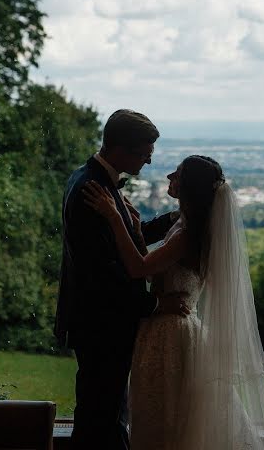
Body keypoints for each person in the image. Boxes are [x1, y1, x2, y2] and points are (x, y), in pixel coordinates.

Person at [83, 155, 264, 450]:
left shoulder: (187, 235)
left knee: (165, 420)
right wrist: (137, 231)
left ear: (189, 187)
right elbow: (156, 270)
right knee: (165, 417)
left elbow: (139, 269)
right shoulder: (182, 227)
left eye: (176, 175)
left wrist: (114, 218)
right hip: (167, 330)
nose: (167, 177)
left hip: (170, 336)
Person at [55, 109, 188, 450]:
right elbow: (102, 274)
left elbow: (126, 241)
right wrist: (158, 304)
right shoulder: (91, 190)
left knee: (104, 415)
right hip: (102, 324)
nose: (148, 161)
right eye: (144, 154)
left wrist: (179, 217)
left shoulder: (94, 182)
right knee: (102, 420)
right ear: (120, 150)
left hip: (102, 323)